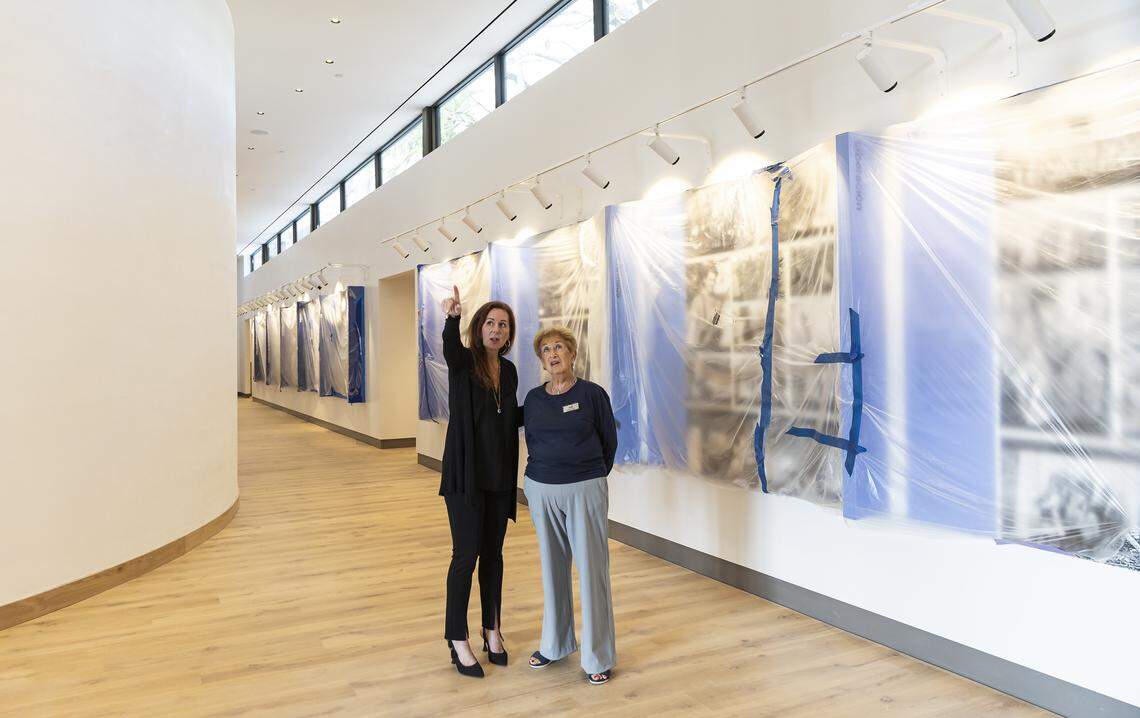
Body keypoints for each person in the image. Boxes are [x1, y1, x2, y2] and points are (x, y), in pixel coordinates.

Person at [523, 327, 618, 685]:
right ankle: (555, 643)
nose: (552, 354)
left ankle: (597, 656)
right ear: (542, 359)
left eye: (559, 347)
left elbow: (609, 441)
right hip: (542, 489)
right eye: (546, 349)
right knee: (552, 569)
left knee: (592, 571)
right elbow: (532, 440)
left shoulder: (592, 394)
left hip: (584, 488)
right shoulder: (534, 399)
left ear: (573, 353)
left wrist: (589, 475)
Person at [439, 286, 521, 678]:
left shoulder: (509, 371)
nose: (496, 330)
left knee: (493, 556)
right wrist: (452, 318)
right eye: (490, 323)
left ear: (509, 334)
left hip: (499, 478)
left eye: (503, 325)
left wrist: (553, 404)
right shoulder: (464, 362)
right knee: (465, 556)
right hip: (466, 477)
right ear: (479, 327)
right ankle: (457, 637)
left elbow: (509, 417)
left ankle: (492, 629)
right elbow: (449, 349)